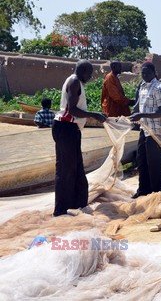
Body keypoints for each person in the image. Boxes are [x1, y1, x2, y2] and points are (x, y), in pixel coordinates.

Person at [52, 60, 107, 216]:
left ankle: (77, 203)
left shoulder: (77, 82)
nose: (90, 77)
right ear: (82, 70)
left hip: (72, 129)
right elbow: (73, 110)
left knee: (76, 168)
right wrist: (93, 115)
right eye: (89, 73)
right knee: (65, 170)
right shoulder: (75, 81)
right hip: (65, 128)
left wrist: (94, 114)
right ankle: (60, 209)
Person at [129, 61, 161, 199]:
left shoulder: (160, 88)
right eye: (143, 73)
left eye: (147, 72)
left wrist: (141, 115)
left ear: (154, 73)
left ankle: (157, 194)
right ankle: (143, 190)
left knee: (155, 165)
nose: (145, 75)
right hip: (145, 129)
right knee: (141, 160)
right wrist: (134, 112)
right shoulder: (143, 86)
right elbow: (139, 106)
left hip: (157, 130)